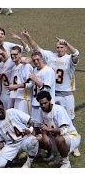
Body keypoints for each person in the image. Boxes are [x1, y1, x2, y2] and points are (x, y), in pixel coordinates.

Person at [22, 27, 81, 157]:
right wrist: (28, 36)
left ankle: (74, 144)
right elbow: (36, 49)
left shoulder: (69, 58)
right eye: (58, 47)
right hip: (52, 94)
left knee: (70, 118)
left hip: (66, 93)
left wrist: (67, 43)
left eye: (62, 47)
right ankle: (52, 147)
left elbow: (77, 54)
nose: (59, 49)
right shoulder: (50, 56)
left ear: (65, 48)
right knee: (51, 119)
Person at [35, 91, 81, 168]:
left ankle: (66, 163)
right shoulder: (41, 110)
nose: (43, 106)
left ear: (50, 101)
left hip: (71, 136)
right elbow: (41, 125)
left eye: (45, 103)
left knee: (59, 139)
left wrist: (49, 130)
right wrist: (44, 135)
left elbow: (64, 131)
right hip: (56, 137)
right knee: (37, 139)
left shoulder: (59, 110)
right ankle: (57, 155)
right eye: (41, 104)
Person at [0, 100, 39, 168]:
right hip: (11, 145)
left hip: (24, 139)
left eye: (0, 109)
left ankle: (28, 162)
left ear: (4, 107)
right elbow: (1, 142)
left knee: (34, 141)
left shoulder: (12, 112)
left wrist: (30, 129)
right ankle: (14, 158)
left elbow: (30, 120)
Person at [6, 46, 34, 114]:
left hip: (24, 99)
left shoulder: (26, 66)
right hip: (16, 99)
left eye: (15, 54)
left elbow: (30, 83)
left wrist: (16, 86)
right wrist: (12, 101)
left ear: (20, 54)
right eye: (11, 54)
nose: (13, 56)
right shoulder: (14, 68)